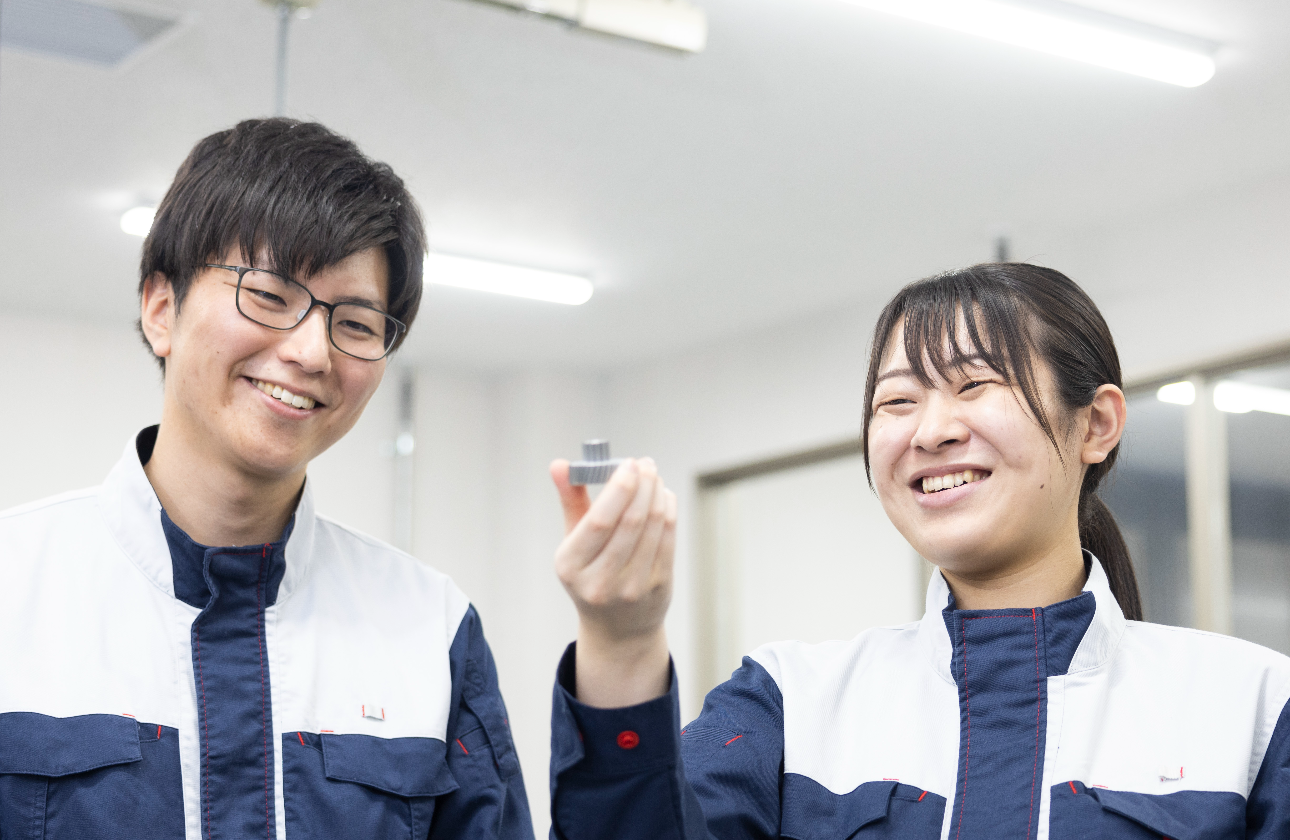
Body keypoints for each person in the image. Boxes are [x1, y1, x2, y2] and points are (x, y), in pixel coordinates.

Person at [545, 263, 1290, 839]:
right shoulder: (788, 702)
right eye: (897, 401)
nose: (930, 431)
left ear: (1095, 424)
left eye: (975, 385)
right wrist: (622, 641)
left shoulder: (1252, 706)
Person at [0, 119, 533, 840]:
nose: (312, 352)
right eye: (270, 295)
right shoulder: (13, 587)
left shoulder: (431, 627)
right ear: (161, 310)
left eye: (356, 324)